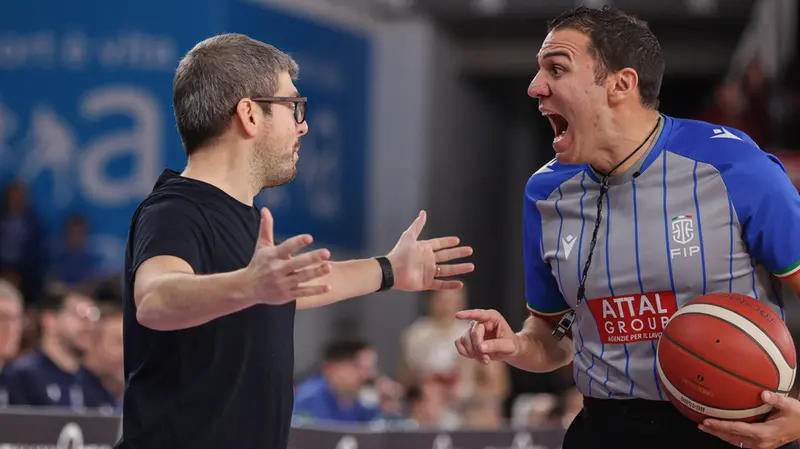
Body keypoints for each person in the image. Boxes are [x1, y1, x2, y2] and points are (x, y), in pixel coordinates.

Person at [454, 6, 800, 449]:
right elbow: (552, 336)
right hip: (606, 428)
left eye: (556, 69)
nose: (535, 87)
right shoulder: (545, 192)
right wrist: (517, 346)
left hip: (733, 431)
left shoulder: (732, 166)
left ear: (621, 84)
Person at [116, 33, 474, 449]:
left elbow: (298, 286)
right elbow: (155, 300)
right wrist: (249, 286)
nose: (303, 125)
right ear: (249, 114)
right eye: (293, 106)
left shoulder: (243, 216)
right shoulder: (175, 208)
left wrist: (390, 269)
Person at [3, 290, 97, 408]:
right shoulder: (22, 377)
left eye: (92, 316)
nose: (89, 325)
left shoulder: (93, 383)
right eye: (78, 315)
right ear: (50, 320)